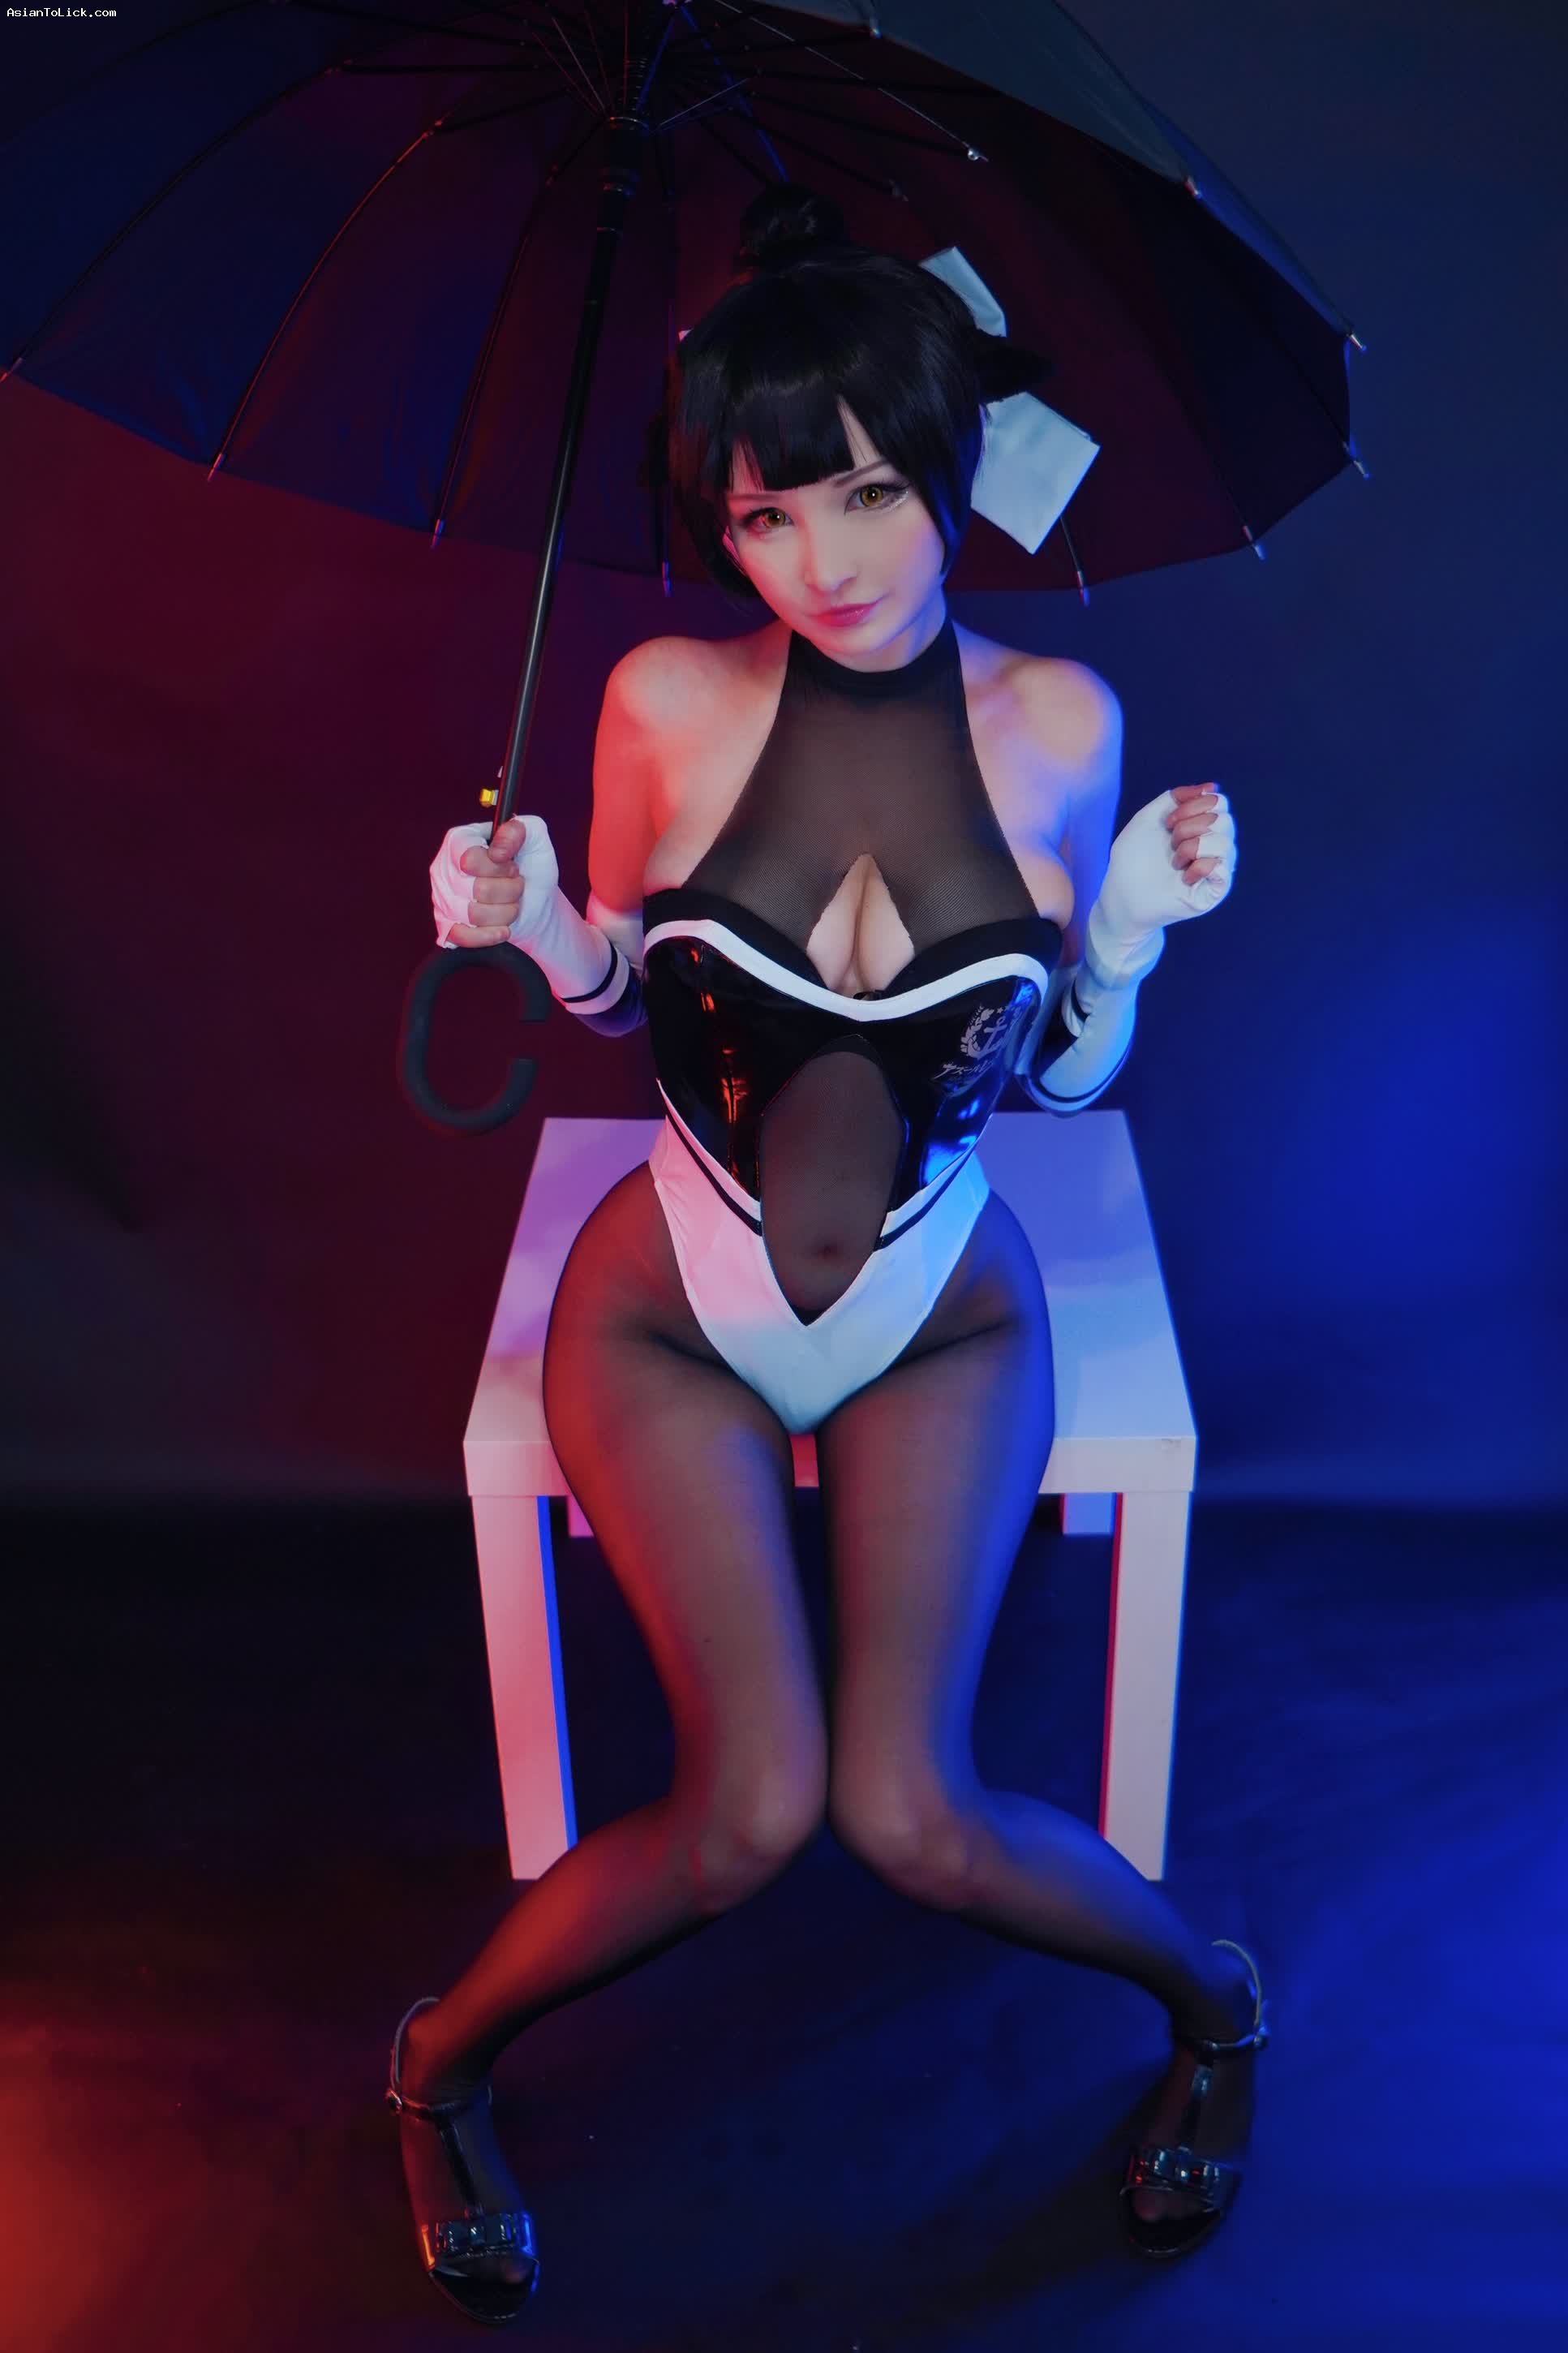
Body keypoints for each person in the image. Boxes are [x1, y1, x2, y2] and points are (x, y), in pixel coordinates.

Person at [388, 183, 1260, 2323]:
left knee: (916, 1818)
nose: (827, 561)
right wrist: (527, 918)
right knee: (748, 1814)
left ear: (947, 464)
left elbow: (1059, 1071)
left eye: (869, 491)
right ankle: (433, 2066)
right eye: (769, 515)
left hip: (941, 1305)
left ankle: (1220, 2003)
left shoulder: (1060, 726)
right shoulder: (664, 701)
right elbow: (624, 993)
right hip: (672, 1307)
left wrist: (1129, 931)